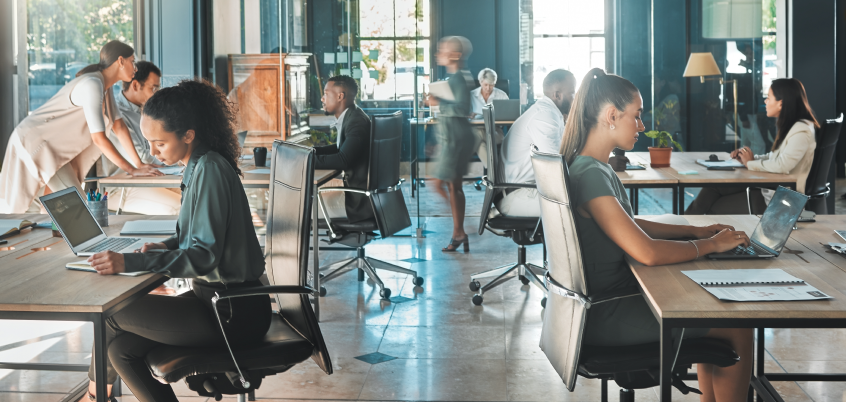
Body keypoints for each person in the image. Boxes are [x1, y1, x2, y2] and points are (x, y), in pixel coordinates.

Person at [559, 67, 753, 402]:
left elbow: (630, 224)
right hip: (607, 314)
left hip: (600, 305)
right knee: (734, 322)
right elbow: (646, 252)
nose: (642, 126)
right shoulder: (591, 173)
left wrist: (695, 231)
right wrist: (709, 245)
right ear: (611, 116)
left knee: (716, 308)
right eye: (636, 116)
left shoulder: (591, 166)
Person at [80, 79, 269, 401]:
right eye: (148, 142)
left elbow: (202, 256)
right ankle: (95, 397)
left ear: (188, 135)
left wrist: (130, 261)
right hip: (218, 302)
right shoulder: (199, 164)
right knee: (122, 349)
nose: (152, 153)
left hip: (231, 311)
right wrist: (166, 245)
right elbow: (191, 235)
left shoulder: (209, 169)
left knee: (110, 313)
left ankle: (93, 398)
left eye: (160, 144)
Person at [0, 40, 162, 214]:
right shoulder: (92, 84)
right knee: (78, 209)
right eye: (132, 61)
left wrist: (137, 165)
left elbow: (119, 125)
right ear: (120, 61)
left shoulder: (104, 87)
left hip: (54, 149)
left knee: (55, 207)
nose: (135, 68)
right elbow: (99, 138)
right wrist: (131, 170)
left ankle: (49, 240)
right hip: (37, 144)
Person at [686, 78, 819, 214]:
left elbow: (783, 165)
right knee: (712, 187)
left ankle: (684, 228)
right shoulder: (793, 126)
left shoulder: (801, 130)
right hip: (769, 189)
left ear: (781, 103)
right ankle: (683, 227)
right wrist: (748, 158)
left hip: (781, 199)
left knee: (713, 207)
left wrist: (750, 163)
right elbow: (774, 157)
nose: (765, 102)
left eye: (768, 98)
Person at [98, 60, 182, 215]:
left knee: (197, 197)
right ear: (135, 85)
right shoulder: (118, 117)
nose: (156, 93)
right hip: (124, 185)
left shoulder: (147, 112)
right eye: (153, 88)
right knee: (178, 208)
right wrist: (179, 156)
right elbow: (144, 159)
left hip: (151, 177)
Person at [496, 69, 575, 217]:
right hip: (516, 196)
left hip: (527, 189)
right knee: (583, 204)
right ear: (557, 95)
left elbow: (567, 151)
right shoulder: (545, 116)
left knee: (587, 199)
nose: (575, 98)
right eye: (572, 93)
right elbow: (557, 166)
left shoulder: (551, 113)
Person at [427, 36, 476, 252]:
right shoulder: (456, 77)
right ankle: (459, 232)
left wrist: (438, 101)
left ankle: (462, 230)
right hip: (452, 138)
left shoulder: (459, 79)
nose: (438, 54)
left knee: (439, 183)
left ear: (454, 55)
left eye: (442, 50)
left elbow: (463, 109)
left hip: (456, 139)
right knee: (451, 185)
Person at [314, 75, 374, 223]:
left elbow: (343, 159)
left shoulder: (356, 122)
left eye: (326, 94)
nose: (322, 99)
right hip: (357, 194)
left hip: (357, 203)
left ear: (340, 96)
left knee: (300, 202)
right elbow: (343, 148)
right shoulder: (353, 115)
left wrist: (304, 160)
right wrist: (312, 152)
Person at [470, 68, 509, 168]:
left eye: (491, 85)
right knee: (480, 144)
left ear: (495, 83)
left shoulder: (501, 95)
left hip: (495, 132)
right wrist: (470, 115)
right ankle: (493, 176)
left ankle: (463, 157)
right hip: (476, 129)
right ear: (480, 82)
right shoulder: (471, 96)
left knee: (477, 136)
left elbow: (508, 116)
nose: (488, 88)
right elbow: (465, 117)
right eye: (485, 85)